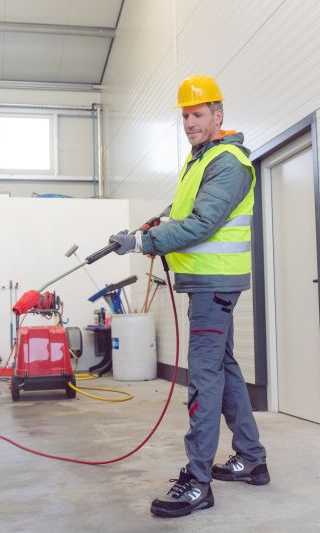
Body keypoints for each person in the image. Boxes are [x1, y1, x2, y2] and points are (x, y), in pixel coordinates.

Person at [109, 74, 269, 518]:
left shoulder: (228, 162)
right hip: (207, 283)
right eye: (185, 116)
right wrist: (153, 224)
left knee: (203, 376)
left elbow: (202, 223)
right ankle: (252, 458)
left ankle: (198, 481)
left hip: (214, 284)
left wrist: (143, 244)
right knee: (224, 366)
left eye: (198, 115)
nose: (190, 123)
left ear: (218, 115)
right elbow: (183, 211)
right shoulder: (200, 159)